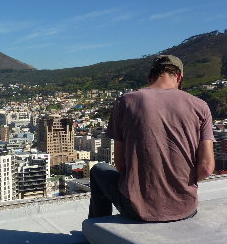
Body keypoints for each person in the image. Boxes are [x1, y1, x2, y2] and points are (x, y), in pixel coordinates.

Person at [88, 54, 215, 222]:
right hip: (186, 208)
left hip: (136, 209)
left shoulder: (125, 102)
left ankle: (96, 228)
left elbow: (120, 164)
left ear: (150, 77)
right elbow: (206, 168)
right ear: (179, 76)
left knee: (98, 170)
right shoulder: (201, 106)